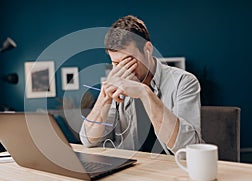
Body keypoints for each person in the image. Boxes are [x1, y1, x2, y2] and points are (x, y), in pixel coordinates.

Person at [79, 15, 203, 154]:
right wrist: (104, 97)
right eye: (116, 64)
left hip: (173, 170)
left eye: (129, 61)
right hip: (131, 170)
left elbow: (188, 148)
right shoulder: (117, 85)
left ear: (148, 49)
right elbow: (88, 140)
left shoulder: (184, 82)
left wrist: (144, 93)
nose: (124, 71)